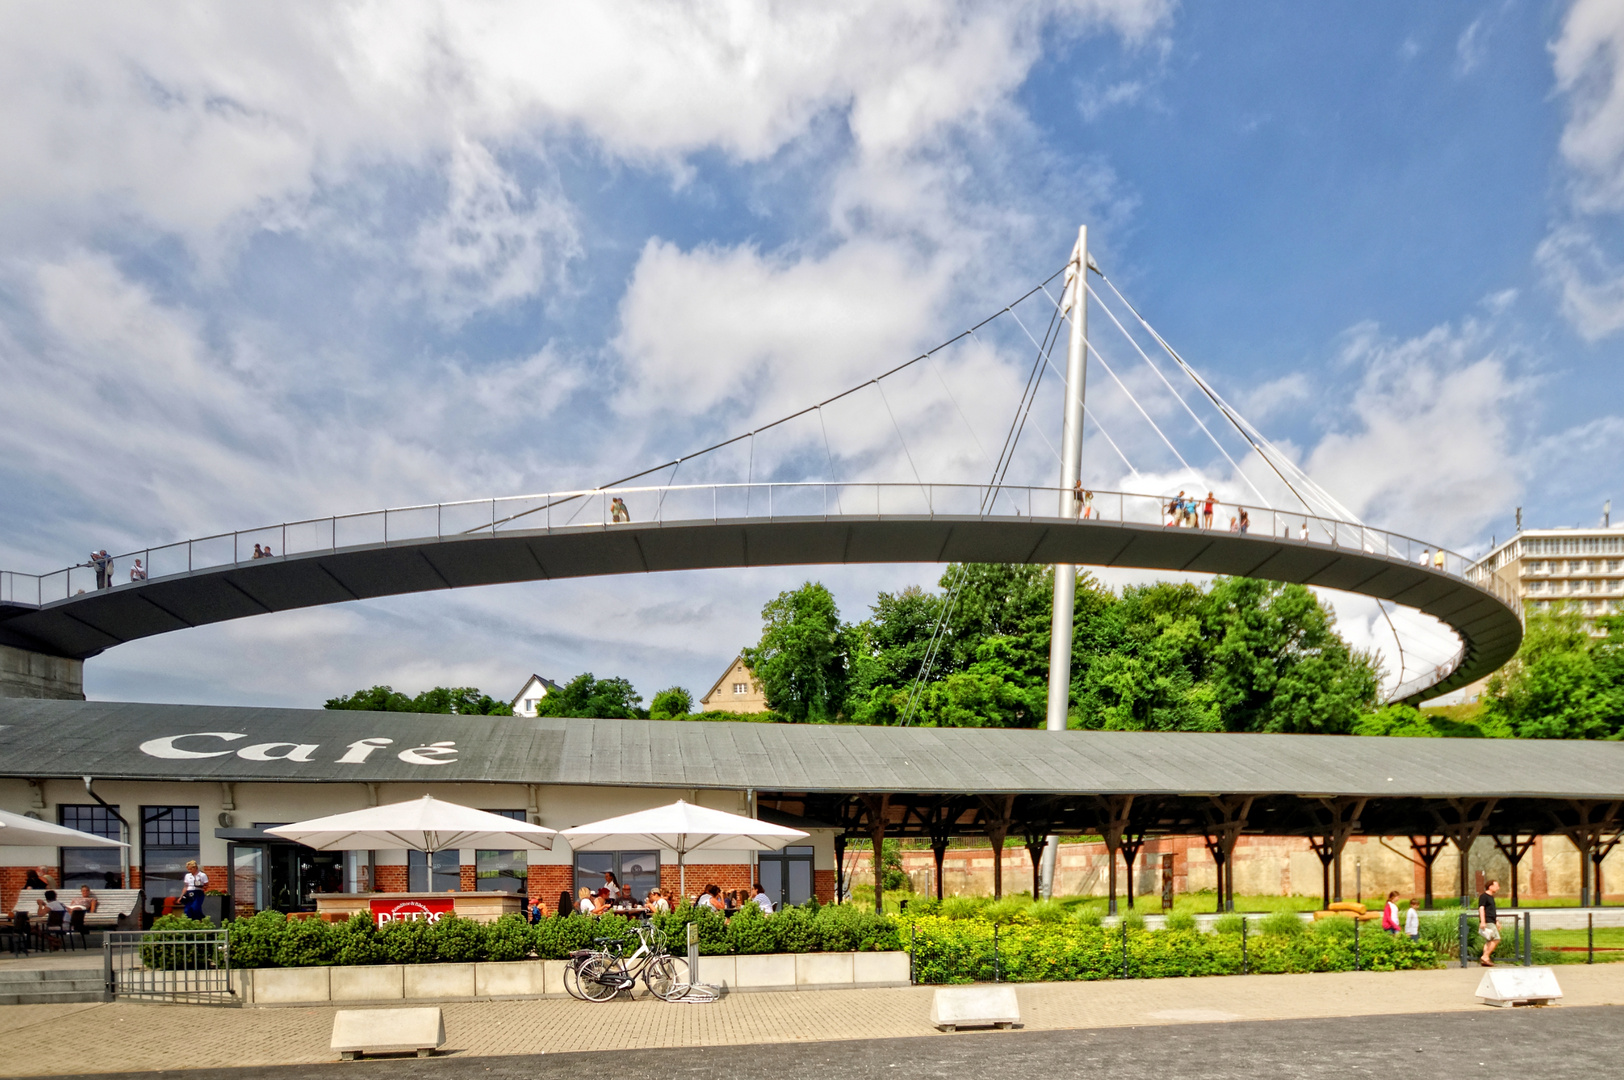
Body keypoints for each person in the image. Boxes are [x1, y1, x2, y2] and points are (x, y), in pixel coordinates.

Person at [1477, 879, 1502, 966]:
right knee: (1496, 939)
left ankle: (1485, 959)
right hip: (1488, 921)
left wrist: (1497, 921)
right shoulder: (1484, 896)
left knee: (1489, 940)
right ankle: (1485, 956)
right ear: (1490, 886)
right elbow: (1481, 908)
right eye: (1496, 886)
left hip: (1492, 920)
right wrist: (1483, 921)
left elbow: (1492, 910)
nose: (1498, 888)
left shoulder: (1491, 897)